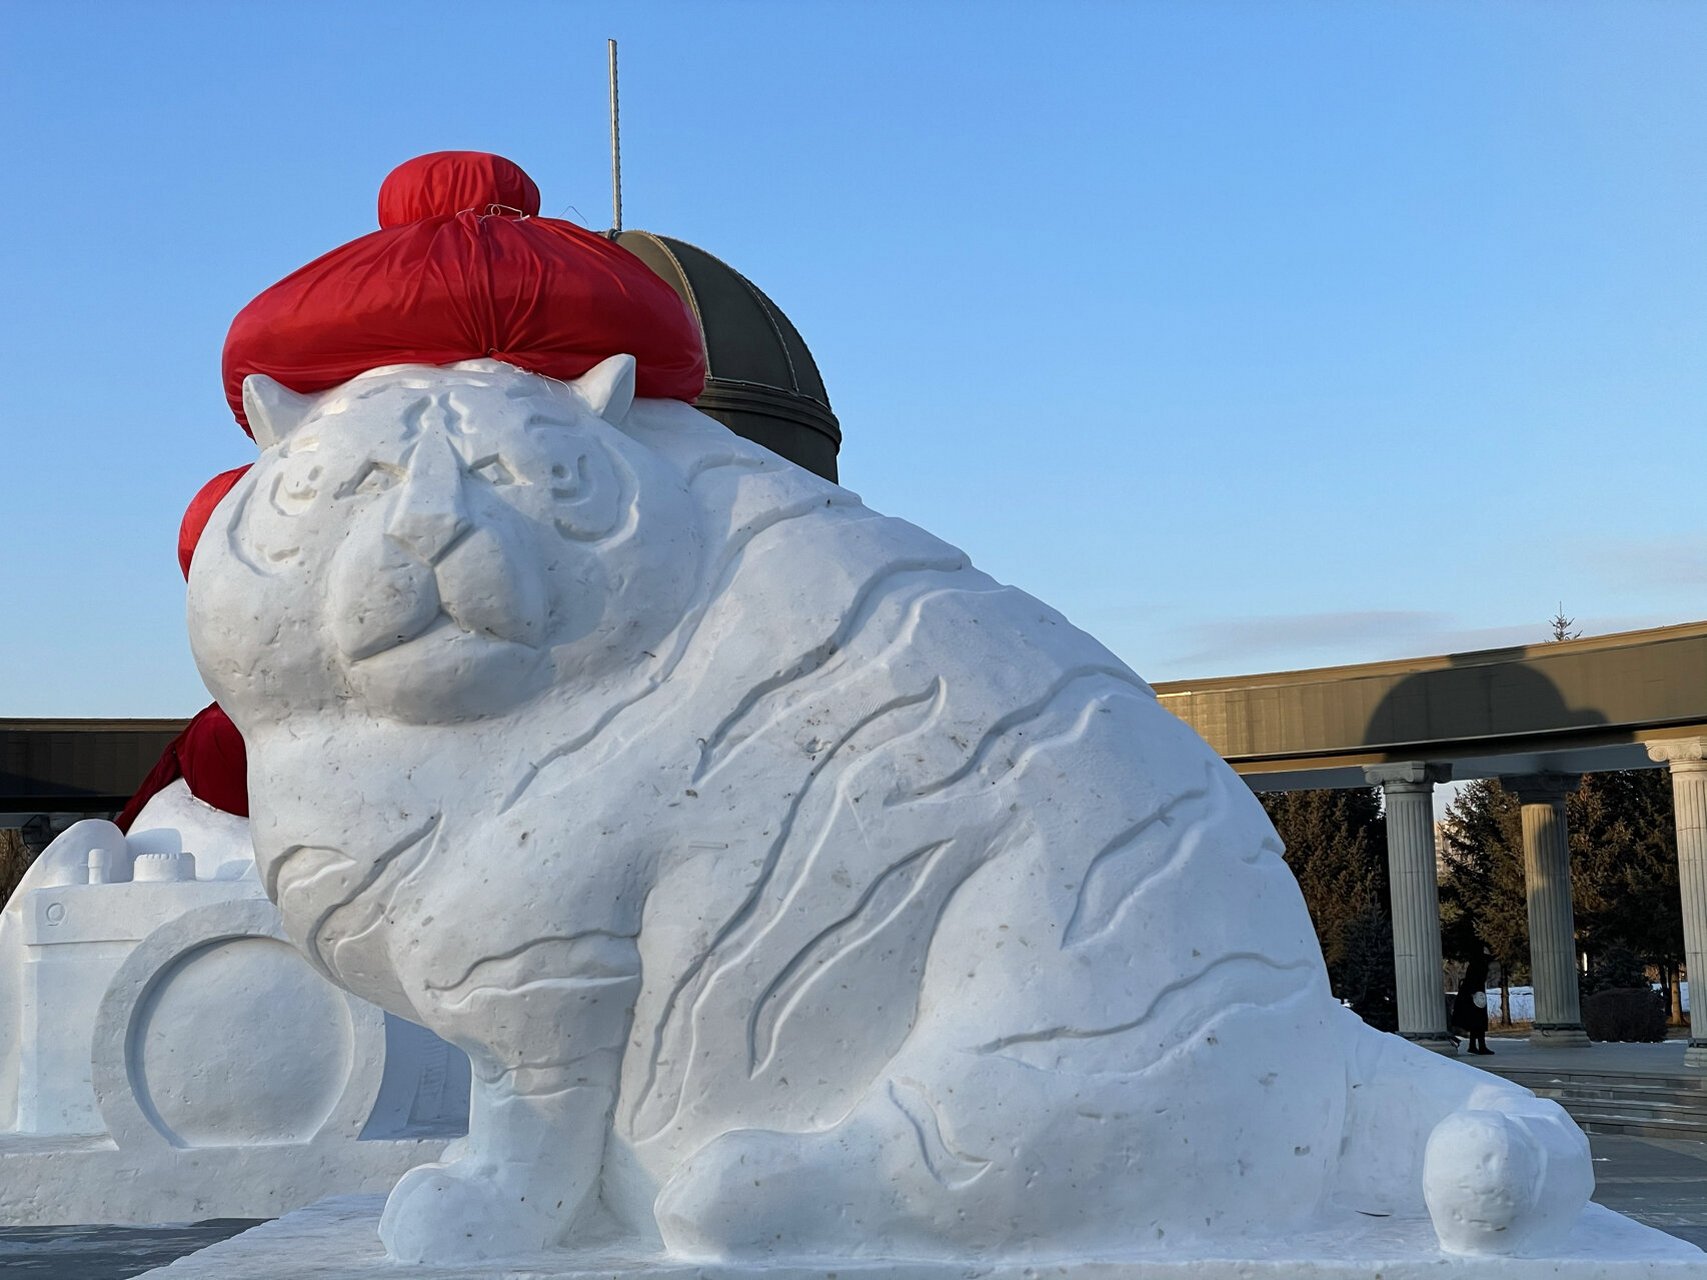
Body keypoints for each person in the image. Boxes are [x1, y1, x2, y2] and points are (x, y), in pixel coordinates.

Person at [1453, 945, 1495, 1055]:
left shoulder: (1475, 963)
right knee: (1478, 1021)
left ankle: (1475, 1045)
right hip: (1475, 995)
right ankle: (1480, 1046)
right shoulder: (1479, 964)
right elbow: (1474, 979)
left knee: (1475, 1022)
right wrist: (1473, 992)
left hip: (1473, 994)